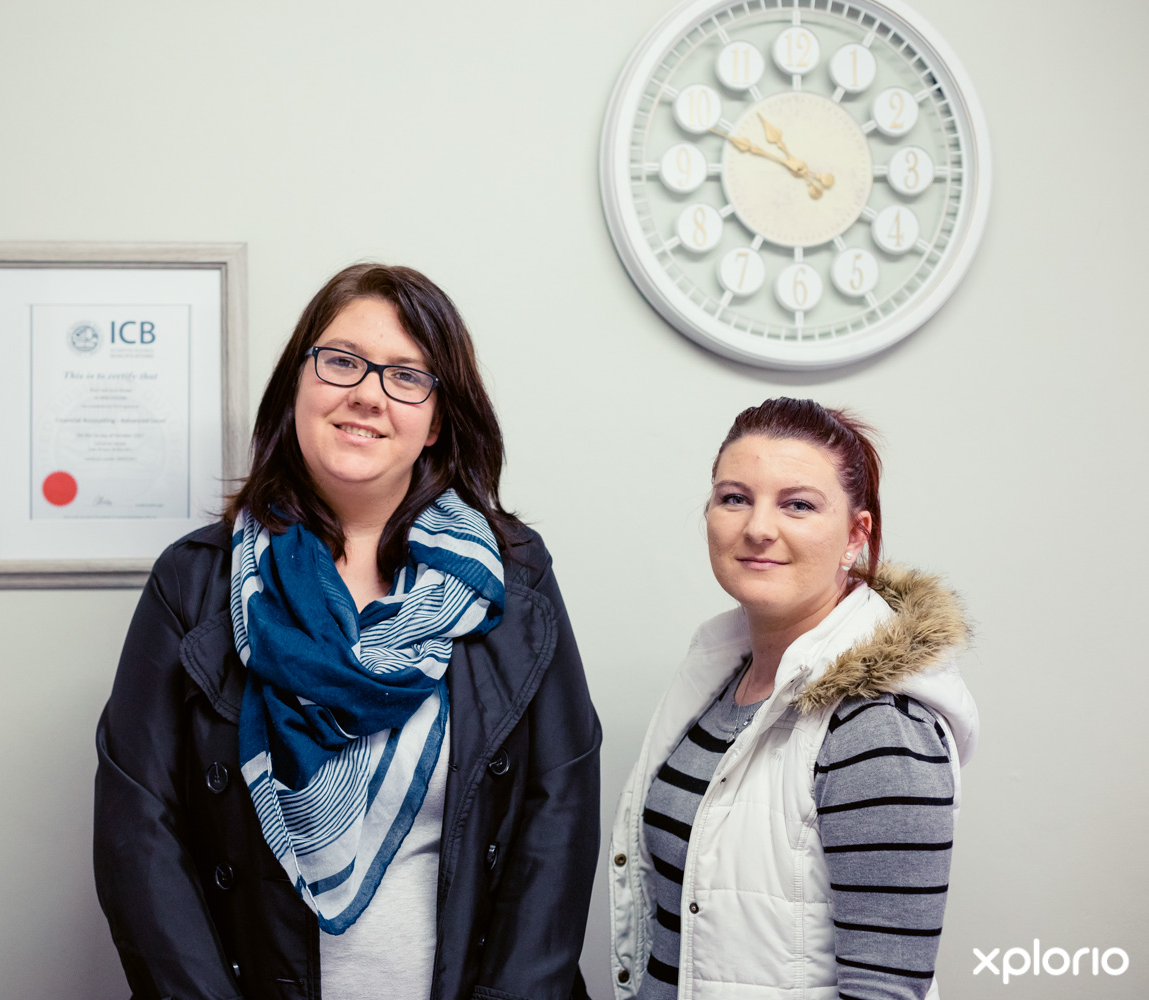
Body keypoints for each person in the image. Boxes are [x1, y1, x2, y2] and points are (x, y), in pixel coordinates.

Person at [95, 263, 600, 1000]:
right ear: (296, 386)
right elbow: (138, 832)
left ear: (437, 422)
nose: (367, 393)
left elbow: (559, 809)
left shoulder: (511, 575)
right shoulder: (196, 580)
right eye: (341, 362)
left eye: (407, 376)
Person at [608, 398, 979, 1000]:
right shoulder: (718, 681)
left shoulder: (878, 724)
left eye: (798, 504)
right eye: (735, 498)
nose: (758, 527)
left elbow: (885, 988)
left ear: (855, 536)